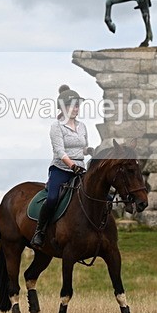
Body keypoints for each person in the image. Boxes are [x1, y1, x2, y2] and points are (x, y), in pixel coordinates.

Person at [30, 85, 93, 249]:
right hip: (61, 169)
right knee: (52, 199)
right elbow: (59, 151)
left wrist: (90, 150)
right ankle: (40, 232)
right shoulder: (56, 127)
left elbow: (82, 148)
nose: (76, 109)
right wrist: (72, 166)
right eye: (72, 105)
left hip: (80, 168)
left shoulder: (82, 126)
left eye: (78, 105)